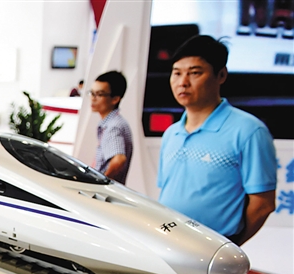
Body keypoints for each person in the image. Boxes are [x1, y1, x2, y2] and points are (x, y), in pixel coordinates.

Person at [158, 35, 277, 245]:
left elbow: (263, 204)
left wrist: (226, 248)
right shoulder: (171, 133)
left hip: (210, 250)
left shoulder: (249, 131)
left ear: (221, 75)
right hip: (166, 243)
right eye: (177, 73)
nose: (183, 82)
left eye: (195, 73)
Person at [90, 71, 133, 184]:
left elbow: (119, 160)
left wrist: (101, 182)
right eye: (92, 93)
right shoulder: (112, 123)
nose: (93, 98)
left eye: (99, 94)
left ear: (115, 99)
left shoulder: (113, 126)